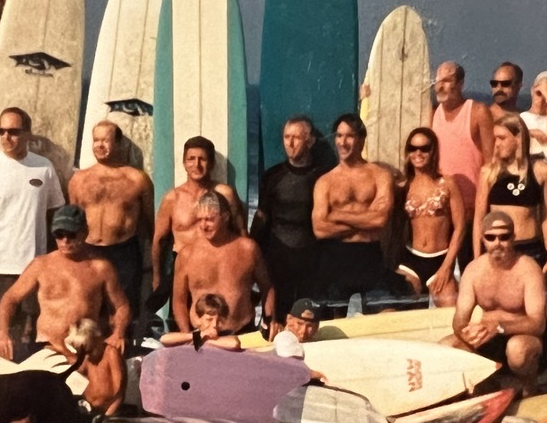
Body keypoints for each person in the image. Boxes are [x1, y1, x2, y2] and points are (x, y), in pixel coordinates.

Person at [0, 205, 131, 413]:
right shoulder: (41, 265)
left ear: (85, 232)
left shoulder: (100, 267)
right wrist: (3, 333)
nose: (65, 240)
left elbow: (121, 306)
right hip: (49, 349)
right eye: (59, 234)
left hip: (85, 351)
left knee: (101, 390)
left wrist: (119, 333)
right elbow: (10, 298)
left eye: (71, 234)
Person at [0, 107, 65, 350]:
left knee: (28, 334)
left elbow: (55, 214)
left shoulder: (44, 168)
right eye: (1, 130)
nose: (6, 137)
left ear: (28, 134)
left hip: (32, 266)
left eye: (13, 131)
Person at [444, 211, 547, 392]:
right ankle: (487, 386)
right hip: (488, 338)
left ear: (513, 237)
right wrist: (464, 332)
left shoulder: (529, 269)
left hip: (523, 338)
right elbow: (460, 317)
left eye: (504, 237)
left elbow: (538, 324)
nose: (497, 243)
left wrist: (500, 326)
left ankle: (529, 389)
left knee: (516, 349)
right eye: (491, 237)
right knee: (447, 347)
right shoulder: (473, 270)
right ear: (482, 238)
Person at [68, 120, 154, 321]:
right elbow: (72, 223)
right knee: (87, 309)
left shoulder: (137, 179)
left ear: (119, 142)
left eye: (105, 140)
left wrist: (154, 262)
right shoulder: (79, 179)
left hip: (124, 253)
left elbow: (151, 224)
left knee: (123, 312)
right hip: (88, 252)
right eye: (96, 140)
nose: (100, 145)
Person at [149, 136, 245, 312]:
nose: (197, 165)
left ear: (212, 163)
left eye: (202, 159)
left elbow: (241, 232)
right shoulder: (172, 198)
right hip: (183, 267)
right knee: (182, 321)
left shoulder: (225, 193)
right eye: (191, 159)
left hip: (218, 265)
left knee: (220, 319)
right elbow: (158, 241)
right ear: (184, 163)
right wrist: (156, 277)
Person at [311, 114, 399, 302]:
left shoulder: (380, 175)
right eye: (339, 136)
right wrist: (366, 220)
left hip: (369, 256)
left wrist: (337, 214)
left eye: (349, 136)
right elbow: (319, 230)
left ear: (361, 139)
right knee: (333, 324)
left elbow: (380, 220)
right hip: (335, 257)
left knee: (381, 319)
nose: (343, 142)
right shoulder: (325, 182)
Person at [250, 116, 324, 318]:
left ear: (310, 141)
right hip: (278, 258)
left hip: (312, 260)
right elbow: (262, 218)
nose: (290, 144)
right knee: (277, 319)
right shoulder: (272, 176)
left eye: (296, 138)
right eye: (286, 137)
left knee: (308, 319)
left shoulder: (323, 177)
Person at [171, 192, 275, 335]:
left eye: (209, 220)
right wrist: (186, 333)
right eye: (199, 220)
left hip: (241, 333)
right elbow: (179, 301)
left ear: (225, 217)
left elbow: (267, 288)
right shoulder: (187, 254)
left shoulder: (247, 249)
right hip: (200, 335)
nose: (203, 226)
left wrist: (269, 321)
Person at [473, 113, 547, 273]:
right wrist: (477, 256)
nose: (496, 144)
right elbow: (479, 218)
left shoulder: (541, 170)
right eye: (495, 138)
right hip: (496, 248)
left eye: (502, 138)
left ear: (518, 138)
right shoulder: (489, 173)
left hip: (530, 249)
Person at [395, 126, 466, 306]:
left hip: (440, 259)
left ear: (433, 151)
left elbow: (460, 227)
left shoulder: (447, 183)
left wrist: (446, 267)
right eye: (413, 148)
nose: (418, 153)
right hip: (410, 260)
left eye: (424, 148)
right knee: (401, 315)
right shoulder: (403, 186)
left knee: (450, 314)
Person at [430, 62, 491, 242]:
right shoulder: (431, 113)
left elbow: (491, 163)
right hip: (441, 208)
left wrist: (482, 204)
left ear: (460, 83)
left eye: (447, 80)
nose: (440, 85)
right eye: (438, 81)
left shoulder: (478, 112)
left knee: (469, 266)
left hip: (471, 209)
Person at [161, 292, 243, 350]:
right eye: (209, 320)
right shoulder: (193, 336)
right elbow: (164, 339)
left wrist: (206, 340)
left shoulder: (226, 335)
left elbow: (234, 343)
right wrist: (198, 336)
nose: (214, 324)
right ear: (199, 319)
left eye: (219, 321)